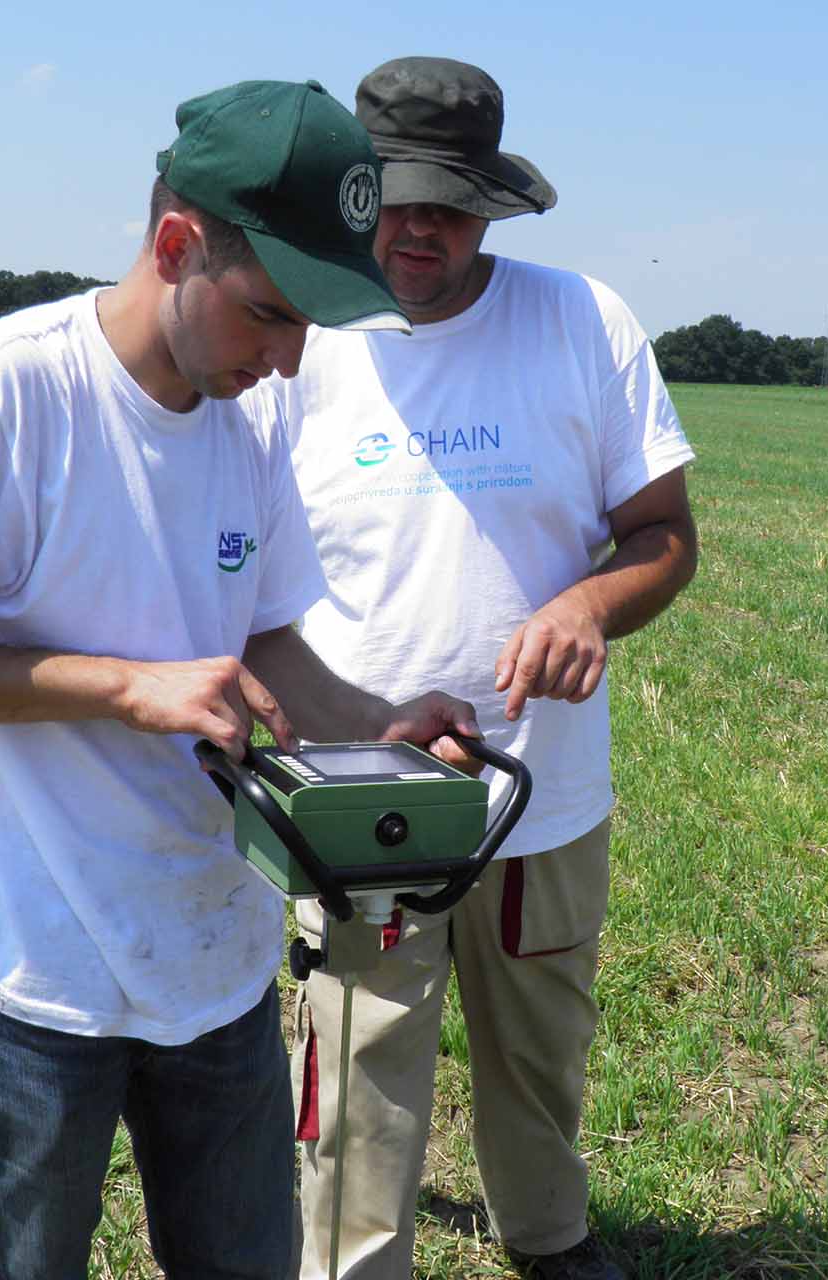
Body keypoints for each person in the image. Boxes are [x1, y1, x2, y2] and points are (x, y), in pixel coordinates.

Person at [0, 79, 479, 1280]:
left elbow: (259, 641)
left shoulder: (252, 423)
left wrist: (382, 727)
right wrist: (122, 686)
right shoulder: (0, 390)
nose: (289, 358)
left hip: (215, 969)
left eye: (313, 324)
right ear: (176, 246)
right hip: (35, 979)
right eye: (271, 314)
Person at [273, 57, 699, 1280]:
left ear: (492, 207)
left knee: (542, 1048)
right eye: (397, 199)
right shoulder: (303, 337)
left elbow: (664, 537)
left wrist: (588, 604)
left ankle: (550, 1236)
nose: (422, 229)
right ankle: (356, 1264)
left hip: (543, 786)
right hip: (364, 786)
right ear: (359, 198)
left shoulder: (582, 321)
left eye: (451, 205)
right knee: (358, 1056)